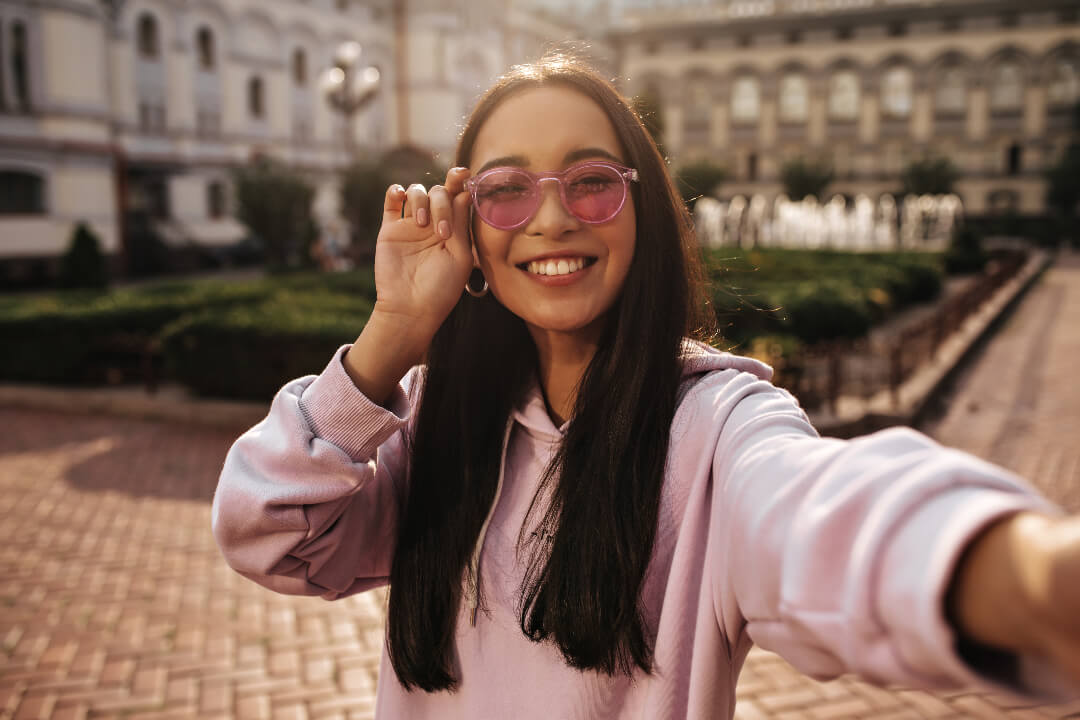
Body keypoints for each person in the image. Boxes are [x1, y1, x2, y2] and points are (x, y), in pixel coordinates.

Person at [212, 55, 1080, 718]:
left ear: (643, 208)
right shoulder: (439, 423)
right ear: (468, 229)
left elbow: (822, 520)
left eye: (591, 181)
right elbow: (268, 534)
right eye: (506, 190)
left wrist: (1030, 576)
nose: (550, 216)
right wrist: (395, 331)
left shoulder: (711, 429)